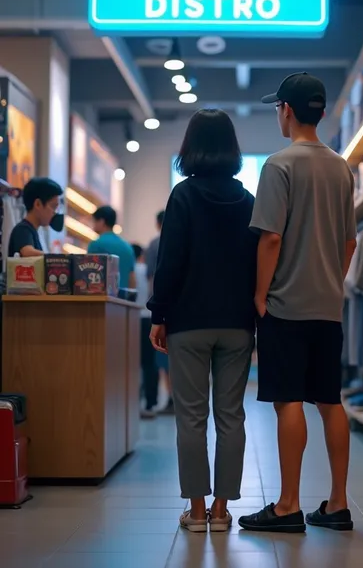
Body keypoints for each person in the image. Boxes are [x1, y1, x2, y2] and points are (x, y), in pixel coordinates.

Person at [239, 73, 357, 534]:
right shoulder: (341, 168)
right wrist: (329, 282)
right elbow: (348, 243)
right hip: (328, 306)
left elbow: (270, 238)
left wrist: (259, 293)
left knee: (288, 400)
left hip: (285, 305)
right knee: (330, 401)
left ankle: (288, 505)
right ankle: (339, 504)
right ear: (321, 112)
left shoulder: (279, 165)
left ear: (286, 110)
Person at [148, 109, 257, 533]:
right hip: (236, 323)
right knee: (231, 416)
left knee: (190, 417)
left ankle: (196, 512)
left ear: (189, 148)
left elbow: (170, 261)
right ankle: (223, 510)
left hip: (189, 322)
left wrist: (160, 314)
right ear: (232, 148)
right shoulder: (247, 199)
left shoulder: (183, 197)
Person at [146, 210, 173, 414]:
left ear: (158, 224)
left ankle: (171, 399)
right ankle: (176, 399)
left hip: (163, 309)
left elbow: (152, 278)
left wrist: (156, 309)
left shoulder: (156, 244)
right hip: (183, 308)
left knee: (163, 357)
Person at [133, 243, 159, 419]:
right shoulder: (146, 269)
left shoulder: (132, 269)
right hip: (149, 318)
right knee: (150, 364)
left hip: (132, 318)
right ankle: (151, 402)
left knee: (131, 363)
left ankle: (132, 400)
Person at [8, 177, 63, 257]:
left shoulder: (34, 231)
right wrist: (55, 259)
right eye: (53, 206)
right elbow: (27, 252)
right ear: (38, 204)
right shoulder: (23, 229)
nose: (54, 212)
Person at [89, 205, 136, 289]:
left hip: (103, 298)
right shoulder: (128, 247)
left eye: (94, 221)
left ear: (102, 221)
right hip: (122, 298)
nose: (93, 225)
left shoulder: (96, 245)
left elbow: (89, 274)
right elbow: (132, 278)